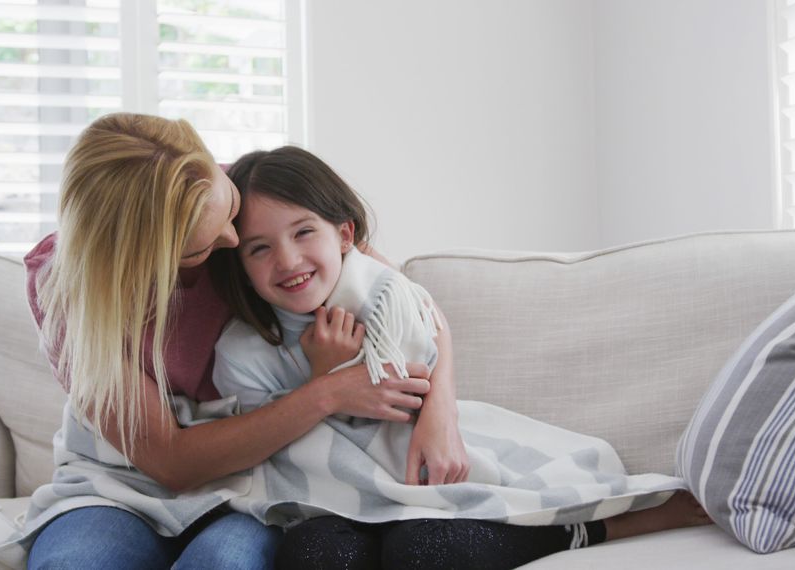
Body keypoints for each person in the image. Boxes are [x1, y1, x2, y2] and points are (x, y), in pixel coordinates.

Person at [209, 145, 712, 570]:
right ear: (239, 262)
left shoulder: (382, 298)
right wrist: (323, 380)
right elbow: (266, 450)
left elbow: (411, 380)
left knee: (424, 550)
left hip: (416, 473)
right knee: (317, 555)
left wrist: (414, 403)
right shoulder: (242, 350)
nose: (289, 261)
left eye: (303, 233)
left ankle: (593, 528)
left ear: (343, 235)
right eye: (260, 249)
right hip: (328, 499)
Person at [21, 113, 445, 570]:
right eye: (200, 249)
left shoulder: (231, 191)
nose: (233, 236)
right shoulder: (64, 288)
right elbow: (172, 463)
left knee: (223, 563)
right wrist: (327, 392)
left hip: (253, 480)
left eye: (229, 208)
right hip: (119, 480)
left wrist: (440, 417)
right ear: (144, 256)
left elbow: (410, 304)